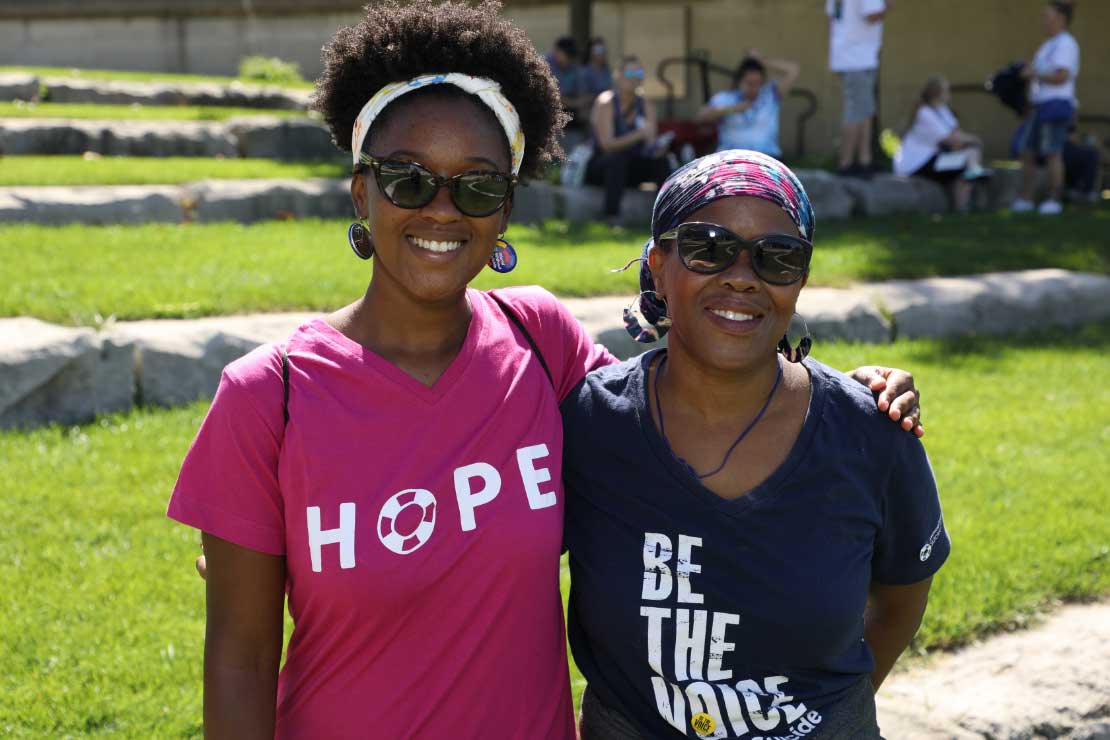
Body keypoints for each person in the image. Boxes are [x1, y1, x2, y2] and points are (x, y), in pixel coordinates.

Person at [173, 3, 926, 736]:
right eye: (407, 179)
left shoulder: (541, 341)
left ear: (503, 212)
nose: (442, 209)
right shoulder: (268, 396)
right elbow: (239, 660)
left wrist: (839, 399)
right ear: (362, 192)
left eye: (476, 186)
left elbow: (678, 413)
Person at [563, 150, 947, 738]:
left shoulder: (870, 431)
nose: (742, 276)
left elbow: (900, 604)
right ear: (659, 266)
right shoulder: (591, 424)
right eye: (707, 247)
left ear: (800, 281)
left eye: (777, 257)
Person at [1012, 0, 1080, 215]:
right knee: (1026, 150)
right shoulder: (1046, 45)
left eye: (1047, 16)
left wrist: (1035, 74)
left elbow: (1062, 76)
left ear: (1060, 19)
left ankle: (1054, 199)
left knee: (1052, 153)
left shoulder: (1066, 44)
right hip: (1039, 105)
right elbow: (1038, 72)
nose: (1043, 21)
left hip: (1056, 105)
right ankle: (1027, 197)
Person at [586, 55, 672, 224]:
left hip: (633, 165)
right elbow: (606, 145)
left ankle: (666, 219)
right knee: (617, 160)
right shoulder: (606, 102)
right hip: (603, 166)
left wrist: (658, 148)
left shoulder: (646, 105)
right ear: (618, 76)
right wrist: (638, 134)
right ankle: (612, 216)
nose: (634, 78)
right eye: (630, 73)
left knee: (662, 162)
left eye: (639, 73)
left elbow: (650, 144)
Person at [894, 75, 989, 214]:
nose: (949, 94)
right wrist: (974, 140)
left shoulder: (942, 110)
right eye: (946, 90)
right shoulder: (924, 113)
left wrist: (969, 141)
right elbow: (952, 138)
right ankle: (964, 201)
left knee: (968, 158)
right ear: (937, 93)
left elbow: (957, 133)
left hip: (934, 158)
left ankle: (963, 205)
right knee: (966, 163)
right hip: (917, 163)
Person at [697, 50, 800, 159]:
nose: (754, 88)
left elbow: (793, 70)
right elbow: (702, 116)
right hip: (731, 160)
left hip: (767, 159)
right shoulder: (725, 98)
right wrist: (732, 109)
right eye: (749, 83)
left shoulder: (770, 95)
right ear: (739, 81)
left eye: (758, 83)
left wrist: (761, 61)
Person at [826, 0, 887, 177]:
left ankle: (864, 160)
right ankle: (847, 163)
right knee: (856, 113)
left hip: (849, 55)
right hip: (859, 56)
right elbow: (872, 15)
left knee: (864, 110)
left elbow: (833, 17)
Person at [546, 34, 592, 129]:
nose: (570, 60)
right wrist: (575, 103)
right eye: (568, 56)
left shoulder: (573, 68)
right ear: (558, 52)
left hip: (569, 120)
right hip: (548, 117)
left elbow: (583, 94)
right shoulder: (545, 65)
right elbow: (553, 97)